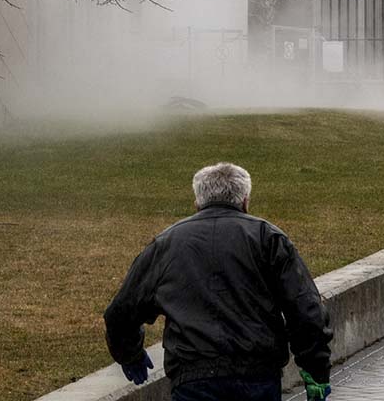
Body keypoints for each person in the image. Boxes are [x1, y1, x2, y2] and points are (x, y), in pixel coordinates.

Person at [104, 162, 333, 401]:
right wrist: (316, 370)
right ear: (245, 201)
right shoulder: (269, 239)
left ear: (197, 203)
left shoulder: (166, 244)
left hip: (192, 377)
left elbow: (121, 312)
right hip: (257, 376)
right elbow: (305, 310)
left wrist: (130, 354)